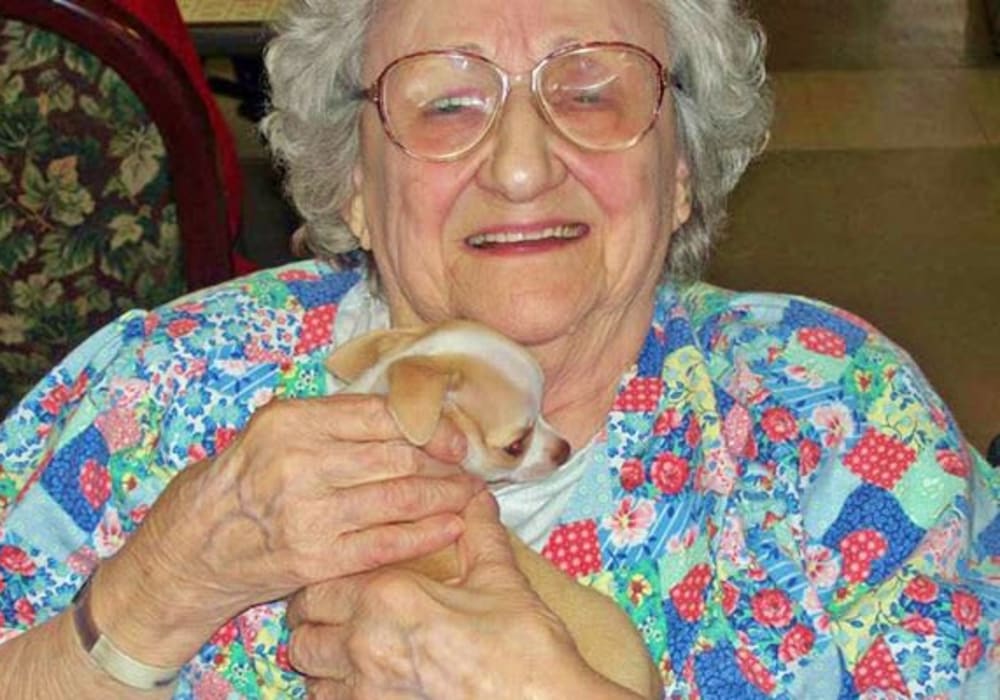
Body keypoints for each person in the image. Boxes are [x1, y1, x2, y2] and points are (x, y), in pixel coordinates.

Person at [0, 0, 996, 697]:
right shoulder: (165, 391)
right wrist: (147, 597)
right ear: (352, 179)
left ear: (681, 166)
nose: (520, 166)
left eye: (591, 91)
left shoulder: (835, 425)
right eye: (445, 103)